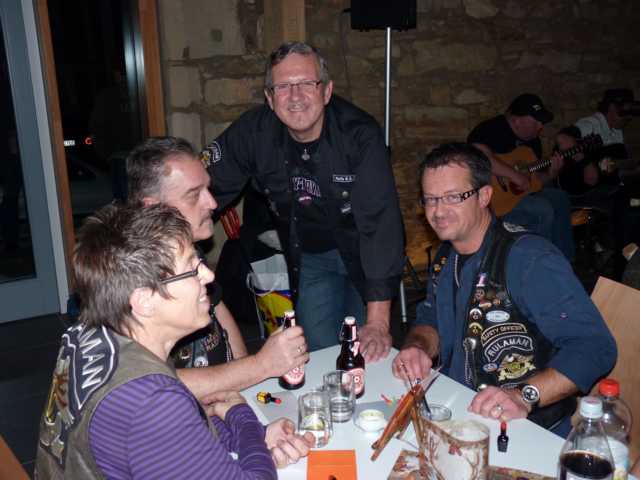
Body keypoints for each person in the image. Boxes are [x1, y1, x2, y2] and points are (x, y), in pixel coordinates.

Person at [35, 204, 311, 478]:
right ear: (144, 300)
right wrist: (243, 417)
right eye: (191, 268)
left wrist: (254, 437)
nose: (209, 275)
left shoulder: (90, 333)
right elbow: (161, 421)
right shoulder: (152, 402)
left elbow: (166, 443)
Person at [392, 143, 617, 437]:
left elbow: (594, 347)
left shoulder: (529, 259)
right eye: (431, 199)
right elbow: (431, 318)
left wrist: (524, 395)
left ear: (485, 195)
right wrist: (418, 348)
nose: (438, 211)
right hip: (458, 411)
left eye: (453, 197)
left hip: (525, 429)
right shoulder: (447, 257)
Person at [202, 42, 405, 360]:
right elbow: (202, 187)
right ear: (270, 98)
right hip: (311, 256)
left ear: (326, 91)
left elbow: (380, 224)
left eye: (307, 83)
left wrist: (378, 321)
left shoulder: (359, 135)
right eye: (283, 86)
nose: (295, 96)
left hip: (365, 254)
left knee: (365, 352)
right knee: (320, 352)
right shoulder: (253, 133)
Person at [126, 136, 309, 397]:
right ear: (153, 208)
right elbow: (146, 383)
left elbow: (218, 310)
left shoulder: (183, 249)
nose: (212, 203)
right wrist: (261, 365)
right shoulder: (127, 275)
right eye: (194, 195)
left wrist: (247, 387)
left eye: (208, 189)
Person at [468, 93, 575, 260]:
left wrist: (552, 173)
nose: (540, 126)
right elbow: (478, 155)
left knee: (560, 198)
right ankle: (537, 264)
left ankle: (563, 261)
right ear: (516, 120)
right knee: (542, 209)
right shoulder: (491, 129)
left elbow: (534, 182)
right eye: (536, 121)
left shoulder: (533, 141)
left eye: (542, 122)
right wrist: (513, 175)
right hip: (493, 203)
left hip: (519, 197)